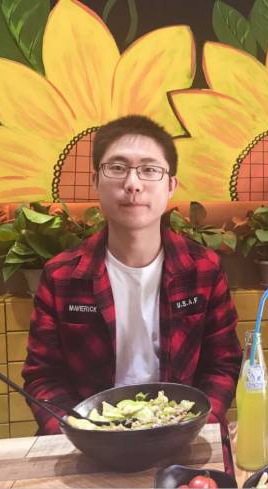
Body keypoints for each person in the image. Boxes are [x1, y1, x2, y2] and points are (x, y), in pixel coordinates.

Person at [22, 115, 242, 438]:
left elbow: (222, 364)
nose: (133, 184)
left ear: (171, 186)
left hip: (178, 435)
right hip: (89, 439)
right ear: (96, 181)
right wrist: (75, 432)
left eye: (149, 170)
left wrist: (195, 428)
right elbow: (43, 376)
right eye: (117, 168)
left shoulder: (203, 271)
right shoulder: (62, 276)